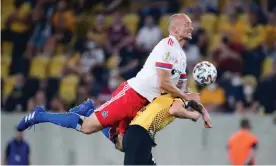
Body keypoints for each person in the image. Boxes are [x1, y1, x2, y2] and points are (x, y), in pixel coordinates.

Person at [17, 13, 209, 140]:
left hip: (144, 103)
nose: (191, 28)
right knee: (86, 127)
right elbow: (164, 83)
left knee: (123, 145)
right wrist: (186, 98)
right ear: (174, 29)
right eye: (187, 25)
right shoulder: (167, 46)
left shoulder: (182, 56)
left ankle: (89, 108)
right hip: (132, 95)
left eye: (191, 25)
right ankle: (40, 115)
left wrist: (202, 110)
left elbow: (183, 90)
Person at [120, 94, 211, 165]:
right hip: (140, 134)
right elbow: (174, 110)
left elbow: (192, 103)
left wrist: (204, 113)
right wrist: (193, 115)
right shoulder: (180, 97)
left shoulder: (166, 97)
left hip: (137, 134)